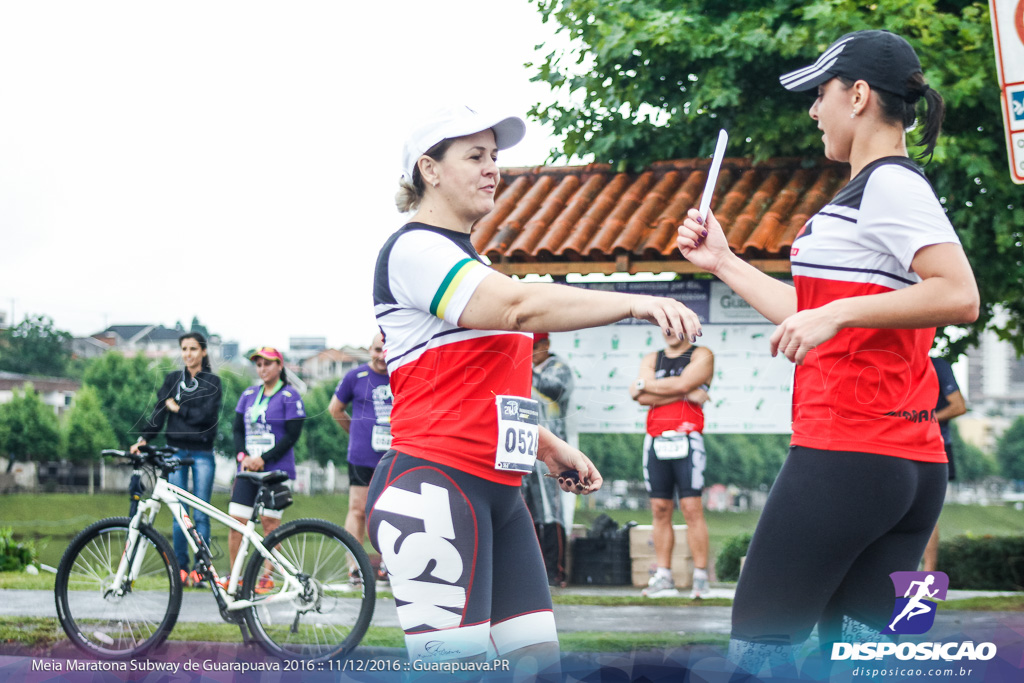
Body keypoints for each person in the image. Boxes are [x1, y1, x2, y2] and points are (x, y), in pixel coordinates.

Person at [676, 30, 979, 677]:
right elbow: (808, 313)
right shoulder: (872, 193)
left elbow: (959, 294)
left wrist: (835, 312)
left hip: (849, 454)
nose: (814, 111)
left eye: (821, 94)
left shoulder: (891, 186)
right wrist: (724, 262)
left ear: (859, 95)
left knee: (760, 646)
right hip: (908, 466)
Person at [366, 104, 702, 671]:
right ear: (429, 168)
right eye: (475, 156)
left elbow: (483, 384)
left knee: (537, 663)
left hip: (499, 490)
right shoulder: (414, 250)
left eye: (495, 157)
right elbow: (520, 306)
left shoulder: (473, 260)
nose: (493, 168)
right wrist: (636, 301)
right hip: (435, 486)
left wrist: (548, 445)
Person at [132, 332, 222, 587]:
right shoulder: (173, 379)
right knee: (178, 512)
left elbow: (206, 418)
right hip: (175, 452)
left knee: (201, 512)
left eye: (193, 349)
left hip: (202, 453)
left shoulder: (213, 382)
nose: (188, 354)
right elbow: (159, 412)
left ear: (203, 352)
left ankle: (201, 570)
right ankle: (180, 569)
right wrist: (144, 439)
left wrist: (179, 408)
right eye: (184, 349)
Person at [630, 329, 713, 599]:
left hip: (688, 438)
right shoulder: (653, 358)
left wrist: (649, 387)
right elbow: (640, 396)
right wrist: (685, 391)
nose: (669, 332)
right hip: (655, 438)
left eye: (674, 326)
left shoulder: (702, 354)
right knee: (660, 508)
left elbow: (650, 389)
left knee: (691, 507)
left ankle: (700, 578)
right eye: (664, 327)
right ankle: (664, 576)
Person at [225, 347, 305, 591]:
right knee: (236, 522)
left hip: (275, 471)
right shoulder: (249, 394)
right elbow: (237, 429)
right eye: (258, 364)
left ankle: (267, 577)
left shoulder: (290, 395)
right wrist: (243, 456)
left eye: (268, 364)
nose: (262, 369)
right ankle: (236, 576)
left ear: (280, 366)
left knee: (270, 526)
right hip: (247, 469)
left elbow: (292, 435)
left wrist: (264, 458)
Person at [328, 331, 392, 584]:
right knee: (357, 510)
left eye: (387, 350)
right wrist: (355, 432)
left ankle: (389, 564)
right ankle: (354, 567)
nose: (382, 357)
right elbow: (335, 409)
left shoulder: (402, 375)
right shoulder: (355, 376)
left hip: (393, 455)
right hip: (362, 455)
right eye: (377, 350)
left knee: (390, 510)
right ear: (369, 350)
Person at [523, 332, 574, 586]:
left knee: (550, 510)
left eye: (531, 347)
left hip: (551, 451)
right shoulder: (520, 368)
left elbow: (553, 390)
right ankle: (529, 571)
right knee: (525, 510)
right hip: (521, 447)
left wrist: (522, 363)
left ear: (545, 345)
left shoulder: (559, 368)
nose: (527, 352)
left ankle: (555, 571)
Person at [922, 355, 967, 572]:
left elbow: (958, 406)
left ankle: (927, 579)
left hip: (935, 446)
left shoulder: (937, 365)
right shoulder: (892, 362)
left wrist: (919, 421)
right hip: (898, 445)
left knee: (926, 514)